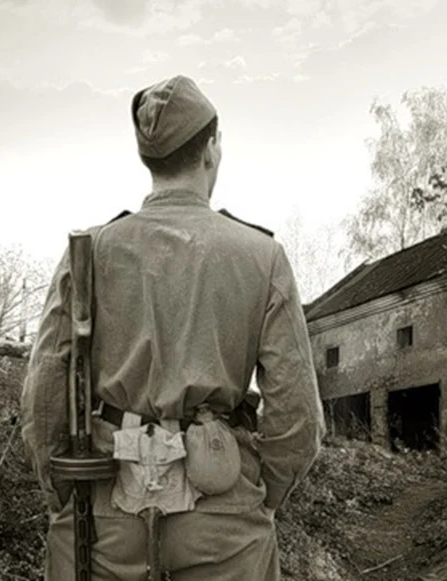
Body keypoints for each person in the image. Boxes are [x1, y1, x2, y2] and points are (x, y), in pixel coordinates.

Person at [21, 74, 325, 580]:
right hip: (222, 520)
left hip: (100, 520)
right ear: (210, 149)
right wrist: (258, 498)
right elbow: (298, 417)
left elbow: (43, 401)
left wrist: (62, 495)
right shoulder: (261, 256)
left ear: (148, 158)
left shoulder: (90, 251)